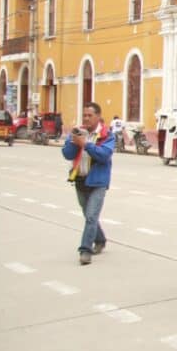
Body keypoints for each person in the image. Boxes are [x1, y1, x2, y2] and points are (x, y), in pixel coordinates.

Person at [62, 102, 115, 265]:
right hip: (80, 180)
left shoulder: (106, 135)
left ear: (98, 117)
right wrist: (73, 141)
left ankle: (85, 250)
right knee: (88, 216)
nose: (86, 118)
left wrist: (85, 144)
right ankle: (100, 239)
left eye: (90, 115)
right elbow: (67, 154)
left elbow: (104, 155)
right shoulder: (78, 132)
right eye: (84, 115)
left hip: (98, 182)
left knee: (91, 216)